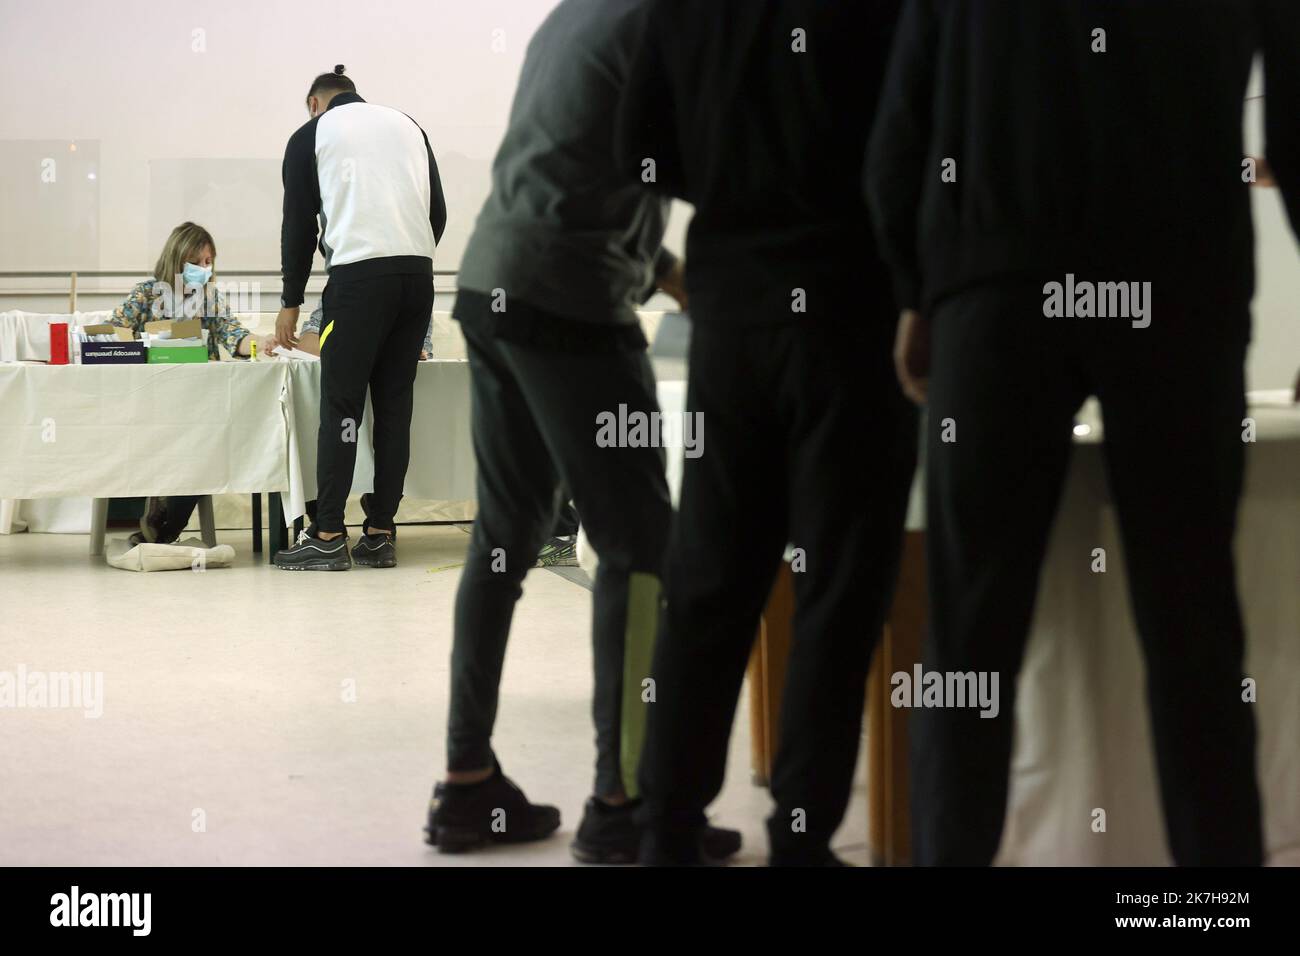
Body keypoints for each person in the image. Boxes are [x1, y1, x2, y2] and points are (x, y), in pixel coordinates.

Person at [866, 0, 1300, 865]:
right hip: (1177, 291)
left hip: (995, 292)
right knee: (1196, 635)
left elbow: (897, 141)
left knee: (968, 638)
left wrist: (921, 294)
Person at [424, 0, 737, 865]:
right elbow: (710, 161)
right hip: (570, 301)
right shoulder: (671, 24)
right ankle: (625, 801)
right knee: (641, 547)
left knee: (503, 537)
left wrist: (668, 275)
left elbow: (587, 165)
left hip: (494, 285)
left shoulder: (575, 18)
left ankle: (466, 782)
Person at [617, 0, 915, 866]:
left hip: (730, 313)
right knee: (837, 589)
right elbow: (922, 129)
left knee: (709, 581)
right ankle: (800, 834)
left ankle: (666, 826)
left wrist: (730, 168)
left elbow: (638, 145)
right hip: (852, 306)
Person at [271, 65, 447, 571]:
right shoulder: (408, 124)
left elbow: (298, 225)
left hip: (358, 280)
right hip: (418, 278)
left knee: (343, 407)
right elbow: (438, 211)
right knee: (394, 406)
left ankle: (326, 533)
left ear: (314, 102)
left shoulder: (311, 134)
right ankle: (380, 532)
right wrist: (408, 257)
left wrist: (291, 300)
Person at [109, 221, 275, 545]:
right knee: (188, 442)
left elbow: (234, 335)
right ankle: (163, 525)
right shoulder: (146, 294)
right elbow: (113, 333)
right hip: (151, 403)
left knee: (204, 442)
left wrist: (261, 342)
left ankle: (164, 528)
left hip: (197, 404)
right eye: (196, 262)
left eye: (208, 262)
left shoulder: (210, 298)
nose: (203, 269)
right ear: (176, 258)